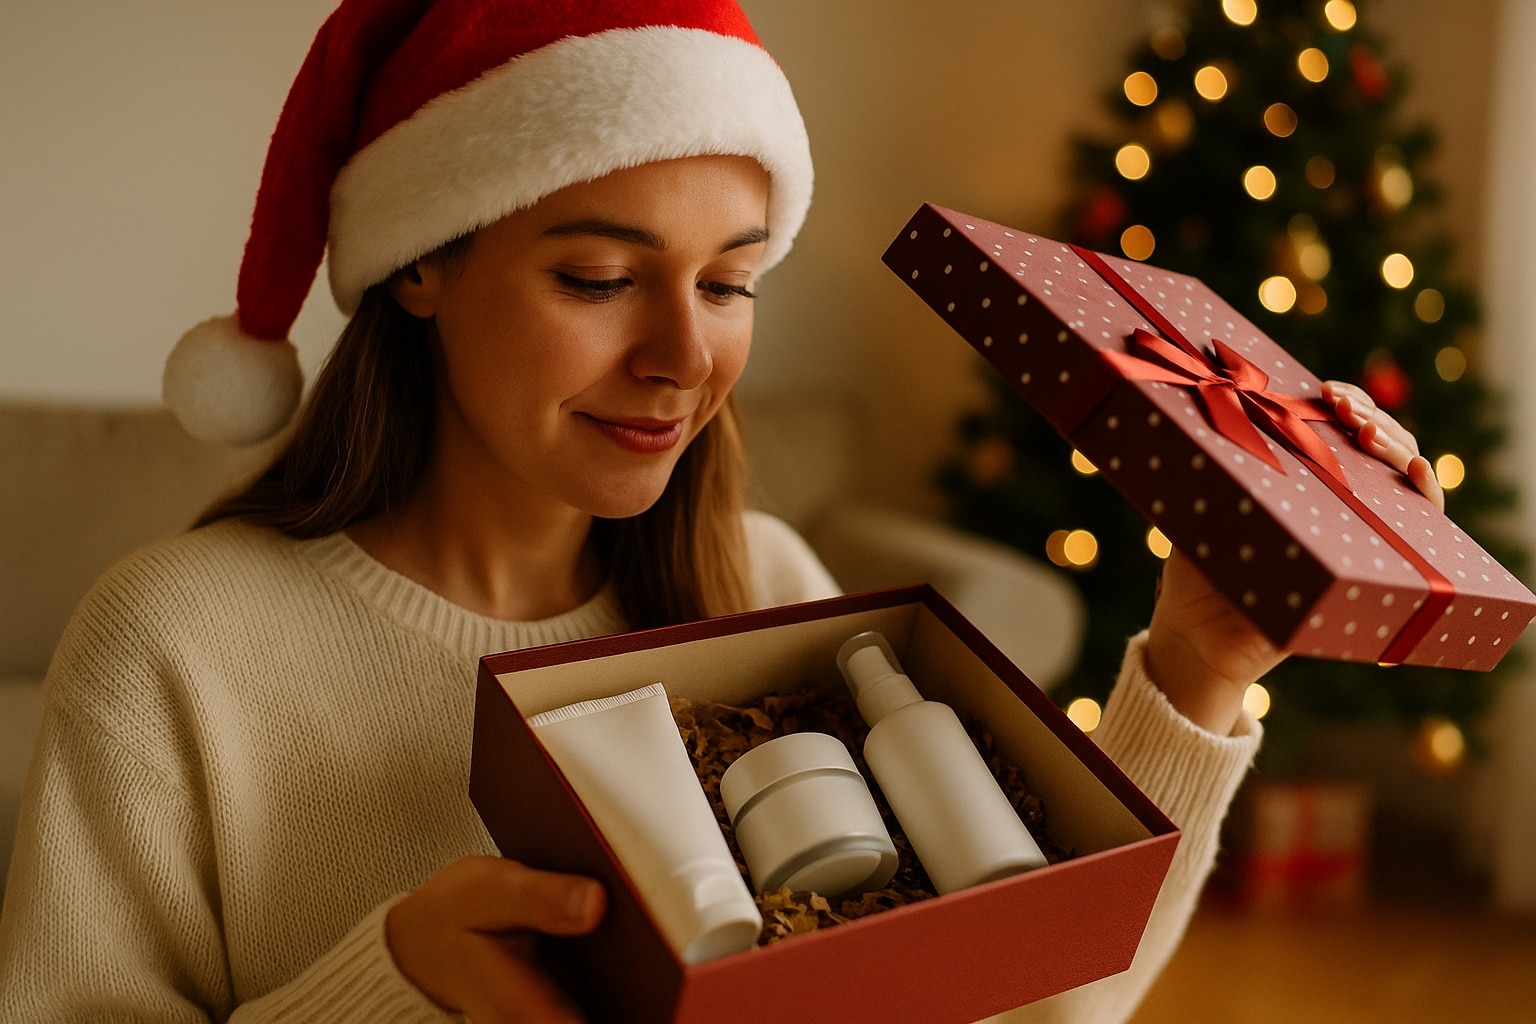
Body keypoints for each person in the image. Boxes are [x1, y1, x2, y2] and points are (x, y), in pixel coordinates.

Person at [0, 1, 1446, 1022]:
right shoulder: (175, 644)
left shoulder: (767, 587)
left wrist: (1194, 673)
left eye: (730, 280)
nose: (685, 359)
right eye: (596, 276)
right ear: (420, 265)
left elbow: (1025, 1010)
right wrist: (392, 983)